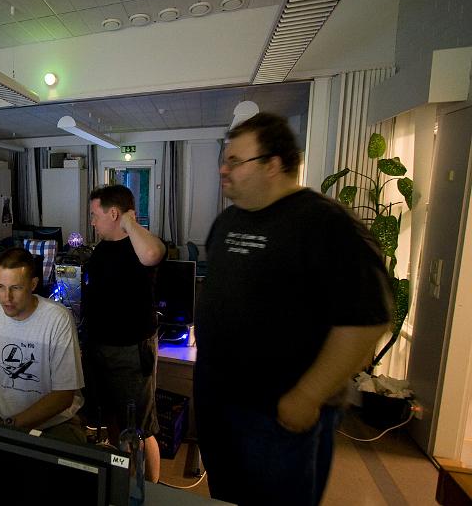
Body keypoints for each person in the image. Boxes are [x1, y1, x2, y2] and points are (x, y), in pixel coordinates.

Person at [193, 112, 392, 505]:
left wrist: (308, 395)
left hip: (277, 414)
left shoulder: (325, 223)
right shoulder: (229, 220)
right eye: (224, 159)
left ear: (273, 164)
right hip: (220, 403)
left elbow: (367, 320)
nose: (223, 169)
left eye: (235, 160)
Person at [0, 247, 86, 443]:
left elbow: (63, 396)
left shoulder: (57, 318)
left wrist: (9, 427)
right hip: (5, 420)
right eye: (0, 287)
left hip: (54, 424)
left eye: (16, 288)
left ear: (33, 284)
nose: (7, 297)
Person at [84, 184, 166, 482]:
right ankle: (124, 481)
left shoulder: (141, 246)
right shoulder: (103, 248)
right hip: (101, 347)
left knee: (140, 429)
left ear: (114, 214)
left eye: (96, 215)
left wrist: (130, 221)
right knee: (115, 420)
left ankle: (150, 489)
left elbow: (154, 254)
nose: (92, 222)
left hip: (130, 351)